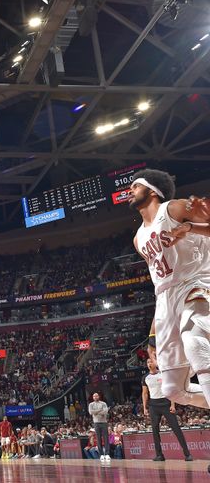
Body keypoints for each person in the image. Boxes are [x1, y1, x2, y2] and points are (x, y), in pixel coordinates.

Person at [129, 169, 210, 419]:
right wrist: (153, 330)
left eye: (135, 186)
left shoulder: (173, 208)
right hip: (166, 300)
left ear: (152, 191)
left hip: (195, 283)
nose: (129, 191)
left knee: (195, 344)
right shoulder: (138, 238)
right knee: (173, 390)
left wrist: (189, 227)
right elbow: (159, 282)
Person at [142, 356, 193, 461]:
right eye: (147, 362)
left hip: (165, 403)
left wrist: (172, 404)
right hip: (153, 405)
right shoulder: (145, 378)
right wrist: (145, 408)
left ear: (155, 362)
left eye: (151, 361)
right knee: (155, 430)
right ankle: (159, 455)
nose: (149, 364)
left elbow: (171, 389)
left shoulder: (163, 374)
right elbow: (145, 393)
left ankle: (187, 454)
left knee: (176, 428)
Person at [88, 392, 110, 461]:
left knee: (106, 438)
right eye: (94, 396)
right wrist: (100, 411)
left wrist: (96, 412)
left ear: (99, 396)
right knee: (98, 438)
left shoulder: (103, 403)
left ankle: (107, 454)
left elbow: (105, 412)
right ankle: (101, 454)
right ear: (93, 397)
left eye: (96, 396)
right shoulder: (91, 404)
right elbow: (91, 412)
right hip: (96, 423)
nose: (95, 397)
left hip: (104, 422)